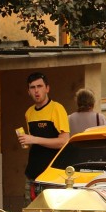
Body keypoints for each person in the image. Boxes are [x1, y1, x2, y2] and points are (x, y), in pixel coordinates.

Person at [18, 72, 70, 203]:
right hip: (33, 173)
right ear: (28, 91)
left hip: (53, 175)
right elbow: (35, 143)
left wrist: (34, 139)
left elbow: (64, 141)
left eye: (39, 86)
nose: (36, 91)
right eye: (32, 87)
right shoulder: (29, 113)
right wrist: (27, 140)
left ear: (47, 88)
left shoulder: (57, 109)